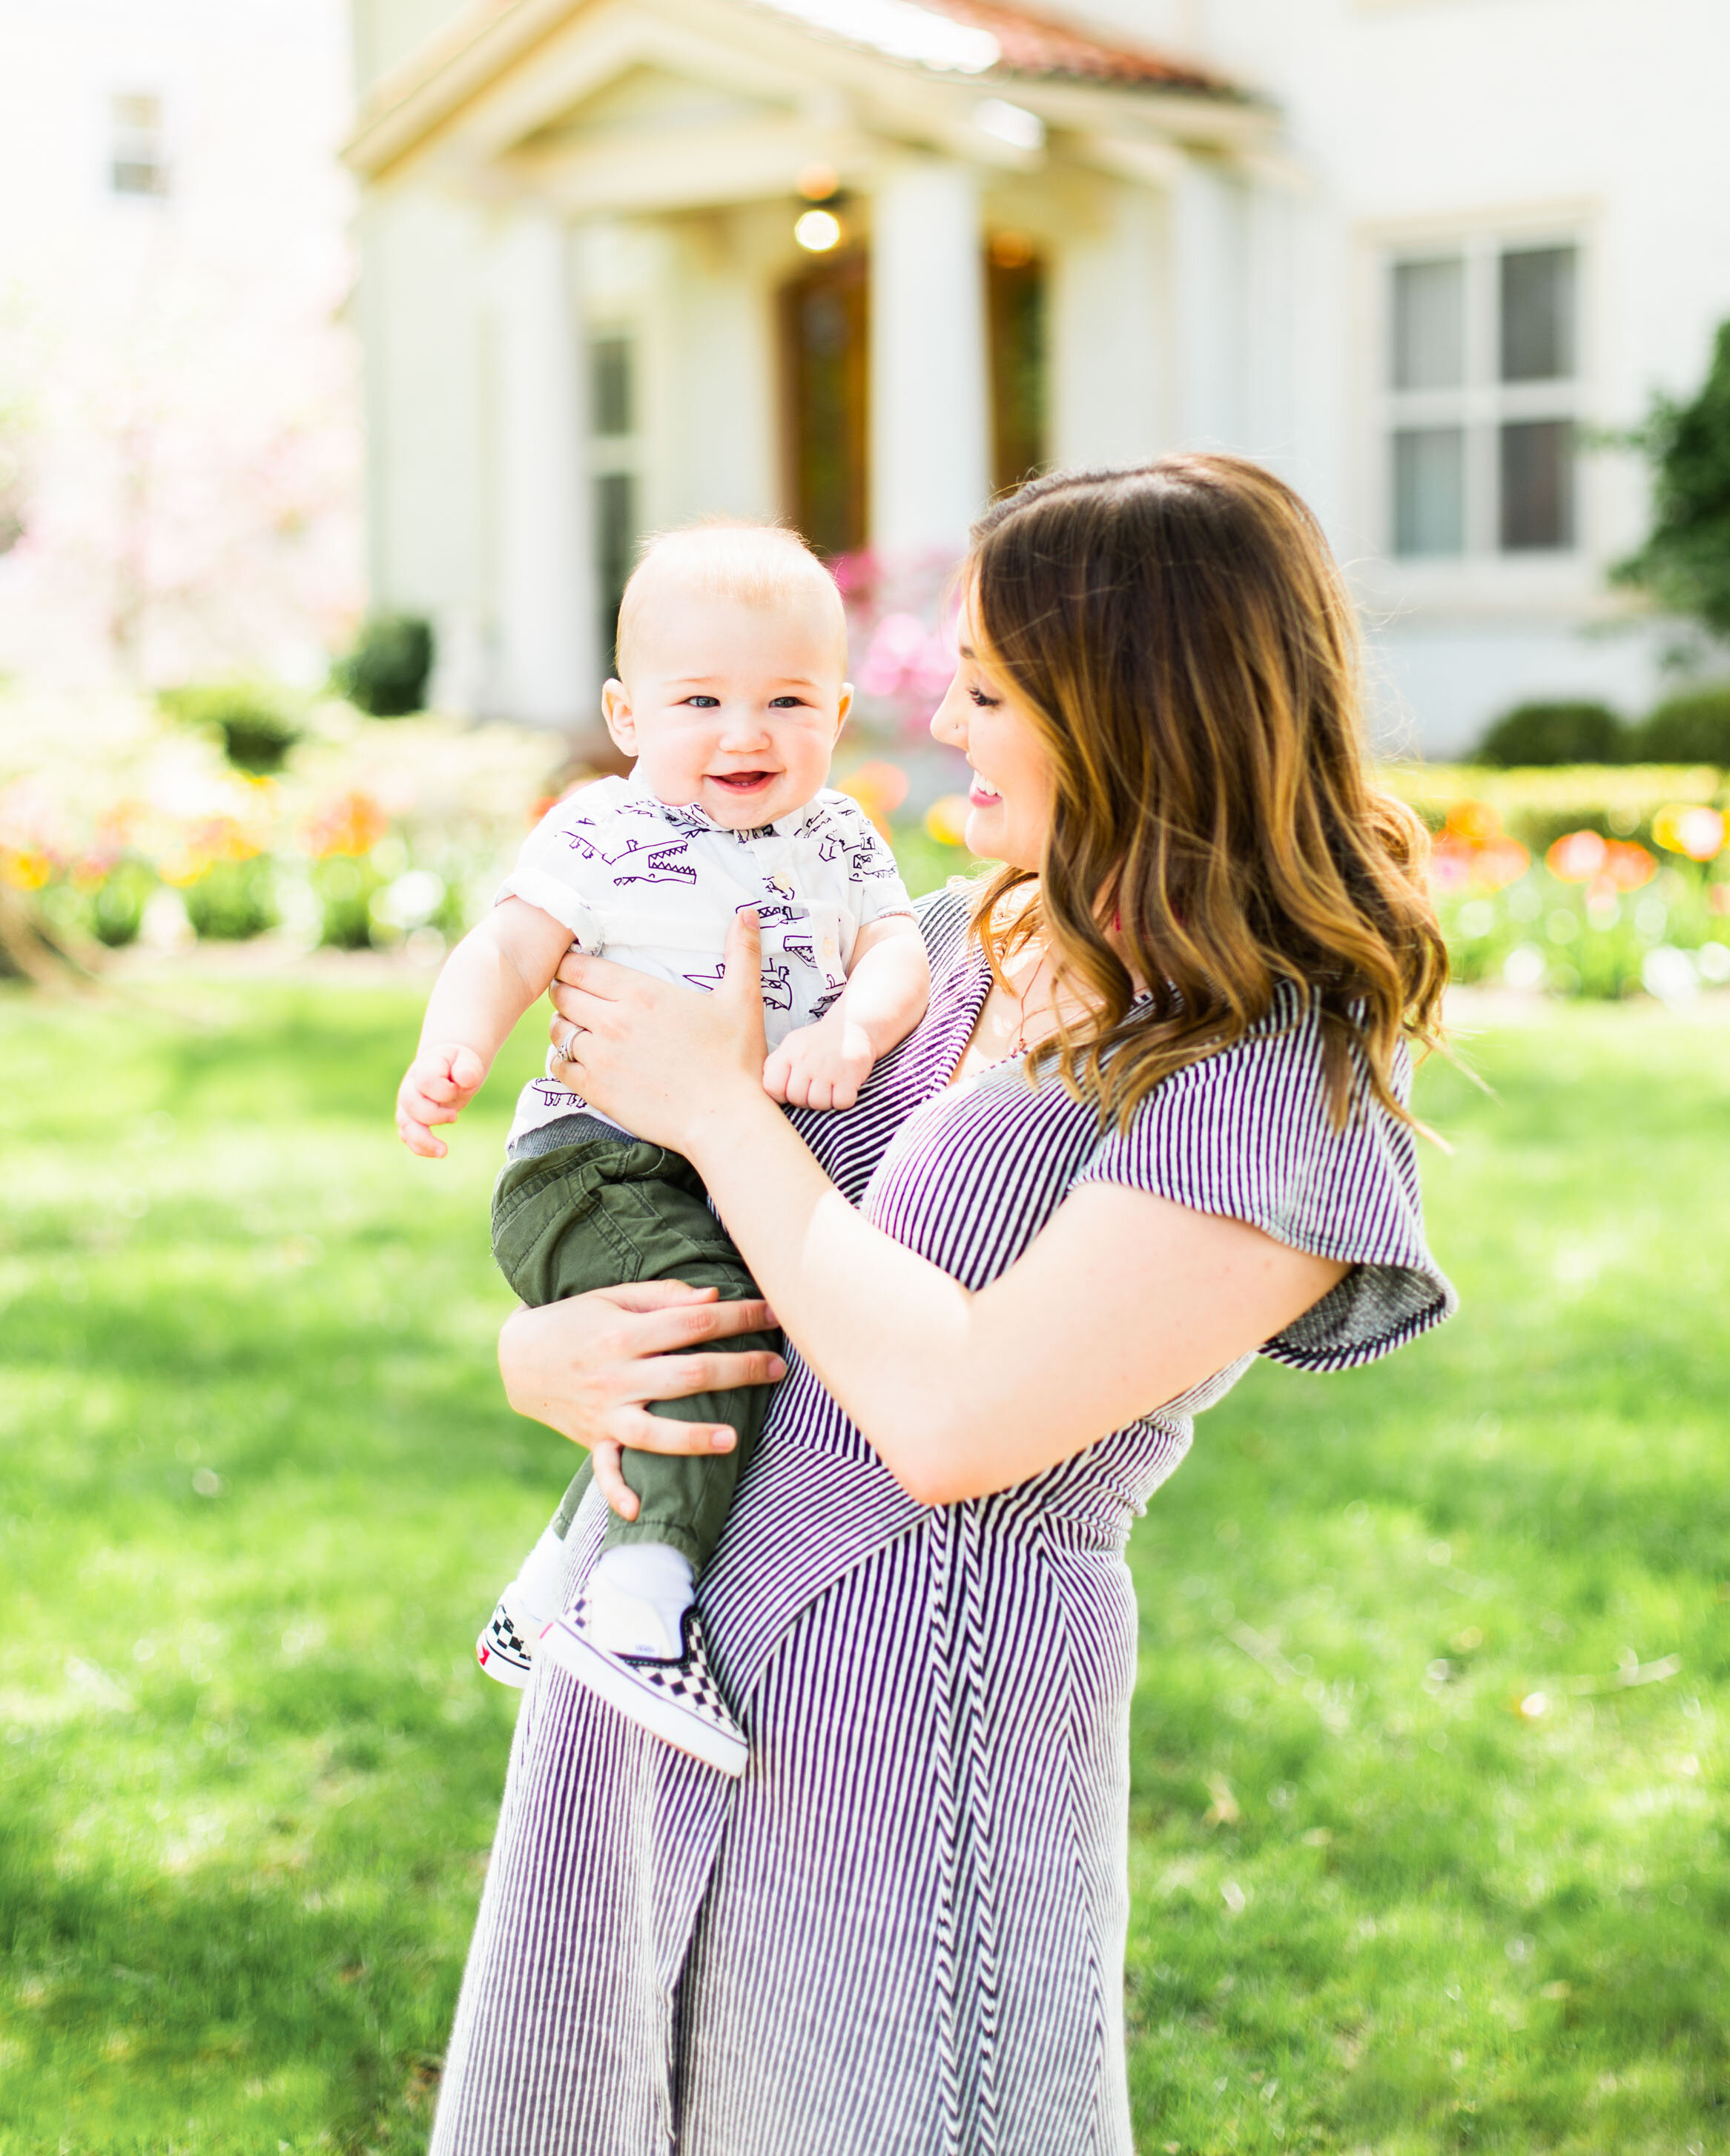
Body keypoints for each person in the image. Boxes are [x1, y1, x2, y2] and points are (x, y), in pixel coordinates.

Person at [429, 457, 1456, 2156]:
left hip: (908, 1775)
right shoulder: (944, 948)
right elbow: (673, 1215)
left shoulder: (1271, 1082)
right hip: (647, 1696)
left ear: (1131, 713)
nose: (935, 717)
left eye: (985, 688)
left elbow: (956, 1415)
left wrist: (720, 1108)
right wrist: (543, 1352)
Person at [394, 522, 928, 1770]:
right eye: (702, 701)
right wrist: (454, 1046)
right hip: (598, 1162)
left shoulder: (843, 837)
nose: (745, 734)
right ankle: (637, 1606)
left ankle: (545, 1594)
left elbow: (895, 954)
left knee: (691, 1349)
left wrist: (851, 1032)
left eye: (786, 701)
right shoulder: (597, 832)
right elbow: (509, 949)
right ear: (626, 714)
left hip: (728, 1163)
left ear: (839, 712)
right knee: (713, 1330)